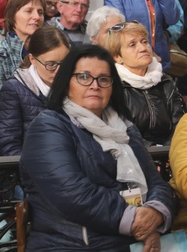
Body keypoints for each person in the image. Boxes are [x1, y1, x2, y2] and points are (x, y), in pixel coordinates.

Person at [20, 45, 176, 250]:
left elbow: (156, 183)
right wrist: (136, 220)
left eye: (103, 79)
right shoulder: (49, 126)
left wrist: (155, 215)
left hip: (130, 241)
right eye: (84, 77)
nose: (95, 85)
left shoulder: (125, 128)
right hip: (71, 245)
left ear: (113, 87)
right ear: (67, 83)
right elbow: (73, 193)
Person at [101, 21, 183, 145]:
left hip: (169, 154)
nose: (143, 48)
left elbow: (180, 127)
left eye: (144, 41)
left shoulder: (166, 82)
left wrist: (169, 152)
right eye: (132, 45)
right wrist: (153, 150)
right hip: (132, 156)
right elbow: (121, 133)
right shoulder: (112, 88)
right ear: (118, 57)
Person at [0, 26, 71, 156]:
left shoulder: (76, 86)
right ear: (33, 59)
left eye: (65, 63)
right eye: (50, 65)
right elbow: (9, 146)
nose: (59, 71)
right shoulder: (13, 90)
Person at [0, 0, 45, 101]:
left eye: (40, 12)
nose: (37, 17)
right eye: (29, 11)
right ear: (12, 15)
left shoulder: (47, 52)